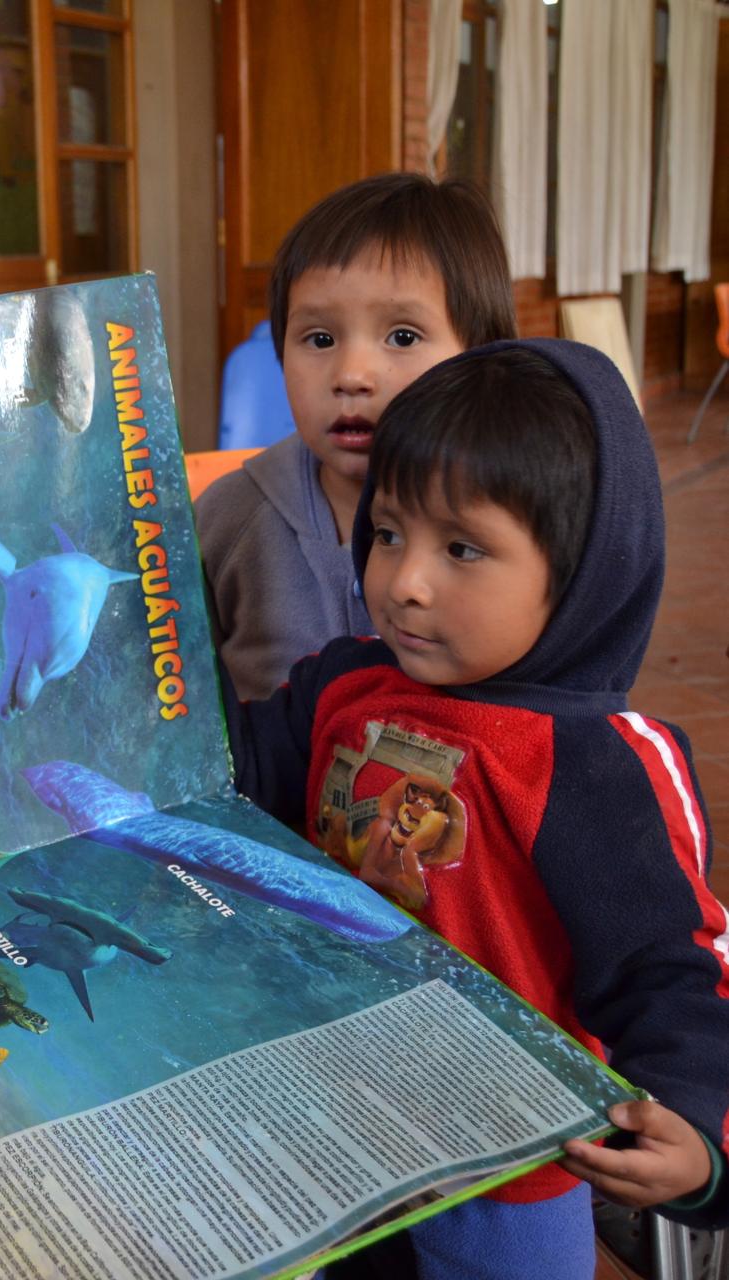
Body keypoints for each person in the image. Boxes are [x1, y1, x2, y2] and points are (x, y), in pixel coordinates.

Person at [226, 340, 729, 1277]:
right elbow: (241, 772)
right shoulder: (345, 683)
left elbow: (671, 968)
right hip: (328, 1123)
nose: (405, 581)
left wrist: (697, 1127)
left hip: (507, 1181)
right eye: (387, 532)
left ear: (579, 573)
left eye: (462, 548)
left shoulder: (597, 766)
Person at [197, 173, 517, 699]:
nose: (351, 374)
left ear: (482, 356)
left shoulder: (512, 515)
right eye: (320, 338)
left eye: (402, 336)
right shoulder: (231, 520)